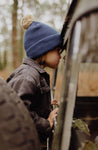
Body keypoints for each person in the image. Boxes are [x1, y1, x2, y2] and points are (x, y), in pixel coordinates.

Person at [6, 15, 62, 144]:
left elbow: (29, 104)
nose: (60, 56)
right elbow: (17, 113)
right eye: (57, 50)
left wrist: (46, 106)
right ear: (44, 50)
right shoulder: (27, 76)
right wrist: (46, 123)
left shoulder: (35, 74)